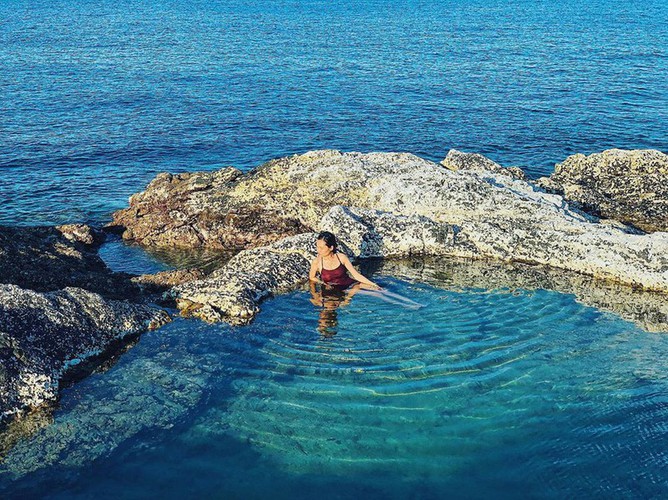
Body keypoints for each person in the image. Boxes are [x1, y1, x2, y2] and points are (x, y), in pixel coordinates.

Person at [309, 231, 380, 290]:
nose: (318, 250)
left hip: (350, 286)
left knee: (379, 291)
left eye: (321, 248)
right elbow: (312, 277)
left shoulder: (341, 257)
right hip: (331, 290)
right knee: (329, 306)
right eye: (317, 247)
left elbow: (356, 275)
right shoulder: (317, 262)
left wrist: (374, 284)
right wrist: (323, 284)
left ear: (331, 247)